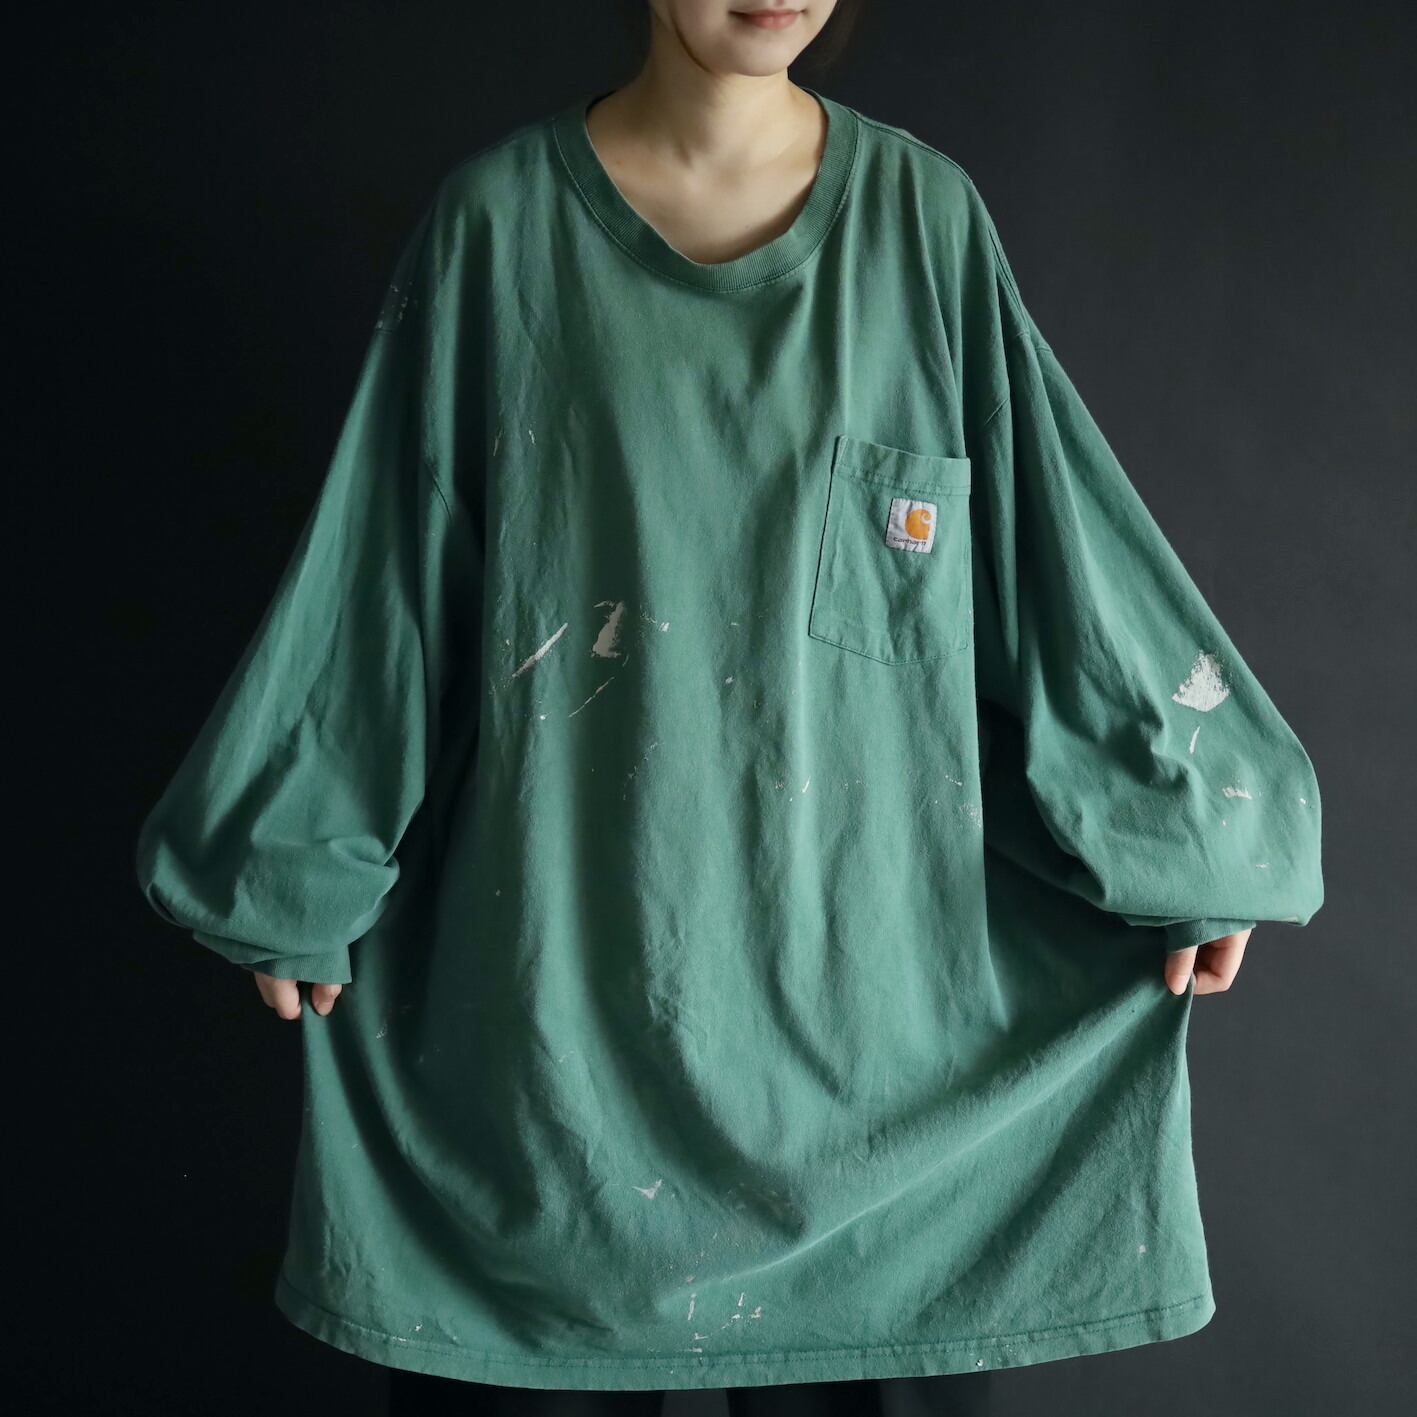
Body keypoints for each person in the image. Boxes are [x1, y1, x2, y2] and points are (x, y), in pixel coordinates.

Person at [134, 1, 1324, 1413]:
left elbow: (1052, 552)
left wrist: (1201, 833)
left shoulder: (922, 222)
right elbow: (386, 569)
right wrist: (290, 857)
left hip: (885, 1082)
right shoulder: (498, 230)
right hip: (562, 1065)